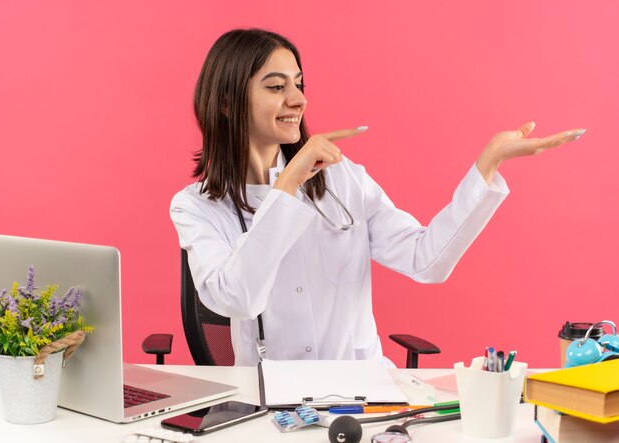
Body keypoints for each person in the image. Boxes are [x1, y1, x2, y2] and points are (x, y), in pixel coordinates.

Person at [170, 28, 584, 366]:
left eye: (299, 84)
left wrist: (488, 164)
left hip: (362, 395)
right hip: (271, 404)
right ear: (227, 103)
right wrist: (289, 183)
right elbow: (237, 299)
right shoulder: (196, 206)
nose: (298, 99)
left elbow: (428, 261)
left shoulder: (343, 181)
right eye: (277, 87)